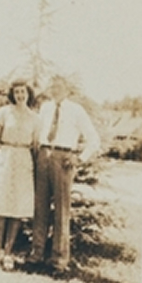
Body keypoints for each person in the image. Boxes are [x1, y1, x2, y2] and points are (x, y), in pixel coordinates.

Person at [29, 76, 101, 273]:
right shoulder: (45, 107)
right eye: (52, 87)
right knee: (40, 207)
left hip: (64, 158)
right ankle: (36, 254)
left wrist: (79, 159)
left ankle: (58, 260)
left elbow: (94, 140)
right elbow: (37, 133)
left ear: (67, 90)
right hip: (44, 155)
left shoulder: (76, 110)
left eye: (59, 87)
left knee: (61, 210)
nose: (55, 90)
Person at [0, 81, 39, 269]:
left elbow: (36, 147)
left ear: (28, 94)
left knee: (17, 209)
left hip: (23, 161)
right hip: (5, 159)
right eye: (16, 92)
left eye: (23, 92)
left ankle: (8, 253)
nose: (20, 95)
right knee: (0, 206)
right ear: (12, 95)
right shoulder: (4, 113)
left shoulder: (34, 118)